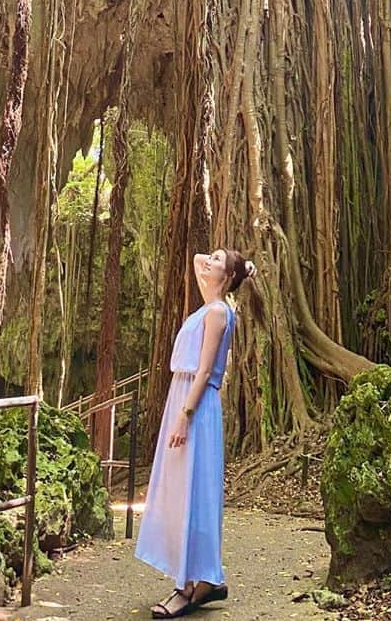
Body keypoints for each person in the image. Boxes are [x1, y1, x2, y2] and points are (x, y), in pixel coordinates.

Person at [135, 247, 257, 618]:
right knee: (180, 490)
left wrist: (185, 415)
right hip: (182, 397)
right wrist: (234, 265)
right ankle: (205, 580)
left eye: (218, 261)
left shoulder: (219, 312)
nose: (207, 261)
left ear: (228, 278)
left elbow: (204, 371)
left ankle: (186, 588)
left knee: (191, 494)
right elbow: (195, 258)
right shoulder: (208, 305)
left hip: (196, 403)